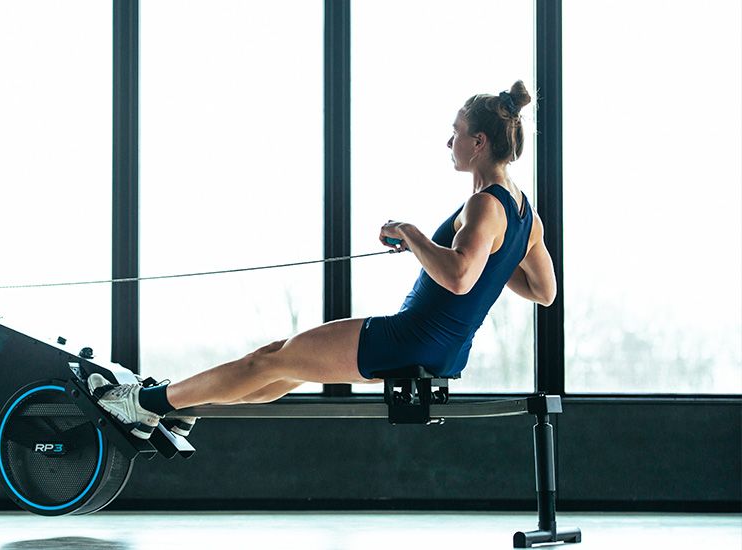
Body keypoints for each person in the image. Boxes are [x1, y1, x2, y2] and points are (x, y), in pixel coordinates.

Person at [88, 81, 556, 440]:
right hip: (442, 349)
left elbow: (459, 277)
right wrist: (492, 262)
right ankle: (182, 406)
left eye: (455, 133)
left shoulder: (484, 205)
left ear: (478, 142)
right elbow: (543, 290)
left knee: (268, 361)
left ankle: (142, 404)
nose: (448, 142)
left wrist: (410, 233)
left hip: (411, 339)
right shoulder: (526, 216)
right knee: (280, 367)